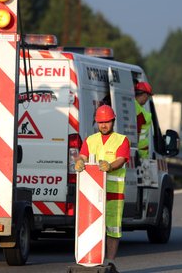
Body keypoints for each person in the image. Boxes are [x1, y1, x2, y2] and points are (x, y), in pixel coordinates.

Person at [74, 105, 130, 272]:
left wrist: (110, 166)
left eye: (107, 122)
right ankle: (93, 260)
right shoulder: (90, 140)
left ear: (113, 121)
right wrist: (79, 162)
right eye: (100, 122)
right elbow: (82, 156)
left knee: (113, 228)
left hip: (114, 192)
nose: (104, 125)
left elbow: (121, 159)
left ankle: (110, 261)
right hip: (92, 193)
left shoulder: (121, 140)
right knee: (92, 226)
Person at [134, 81, 153, 159]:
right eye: (148, 96)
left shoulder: (136, 106)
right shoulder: (139, 109)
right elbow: (137, 131)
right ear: (145, 95)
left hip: (139, 151)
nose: (147, 99)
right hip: (140, 152)